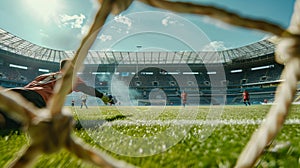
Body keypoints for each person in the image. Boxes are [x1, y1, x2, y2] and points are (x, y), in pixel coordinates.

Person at [0, 59, 114, 131]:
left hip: (12, 93)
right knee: (20, 125)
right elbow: (87, 89)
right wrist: (104, 97)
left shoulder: (43, 75)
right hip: (35, 98)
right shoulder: (70, 77)